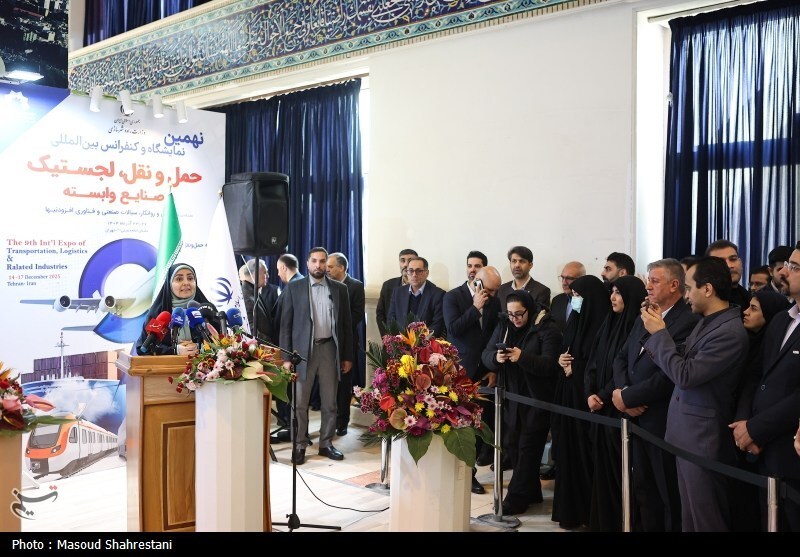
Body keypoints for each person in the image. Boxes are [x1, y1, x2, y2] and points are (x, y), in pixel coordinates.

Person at [640, 255, 748, 531]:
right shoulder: (706, 320)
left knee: (705, 518)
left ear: (707, 289)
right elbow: (682, 357)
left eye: (689, 288)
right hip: (687, 433)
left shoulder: (729, 331)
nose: (686, 295)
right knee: (690, 516)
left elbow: (685, 375)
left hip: (704, 438)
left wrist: (660, 334)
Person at [612, 258, 698, 532]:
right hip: (636, 417)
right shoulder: (648, 313)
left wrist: (630, 398)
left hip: (661, 419)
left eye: (654, 281)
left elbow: (668, 375)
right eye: (648, 280)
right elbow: (622, 357)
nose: (648, 286)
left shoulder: (688, 321)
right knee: (643, 488)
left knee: (667, 492)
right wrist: (623, 394)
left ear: (674, 285)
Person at [730, 242, 800, 531]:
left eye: (794, 268)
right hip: (761, 448)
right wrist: (745, 422)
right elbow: (756, 374)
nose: (783, 272)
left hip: (790, 451)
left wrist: (756, 429)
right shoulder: (782, 319)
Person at [482, 290, 561, 515]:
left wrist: (522, 357)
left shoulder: (547, 328)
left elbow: (550, 365)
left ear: (529, 309)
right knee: (514, 447)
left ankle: (514, 500)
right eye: (510, 314)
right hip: (511, 399)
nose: (514, 319)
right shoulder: (504, 324)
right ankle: (532, 492)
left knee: (528, 449)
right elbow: (486, 353)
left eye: (519, 314)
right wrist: (496, 359)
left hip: (537, 400)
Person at [279, 247, 353, 466]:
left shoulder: (340, 289)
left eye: (322, 261)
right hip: (301, 352)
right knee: (300, 402)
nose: (318, 265)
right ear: (307, 263)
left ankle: (326, 443)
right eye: (314, 261)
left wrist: (347, 356)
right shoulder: (294, 288)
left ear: (326, 264)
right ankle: (300, 445)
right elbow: (285, 325)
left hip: (329, 349)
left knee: (330, 402)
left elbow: (346, 326)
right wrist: (286, 358)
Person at [584, 275, 647, 531]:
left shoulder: (636, 326)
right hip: (600, 407)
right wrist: (590, 393)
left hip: (619, 409)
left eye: (618, 293)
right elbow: (593, 362)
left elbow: (624, 368)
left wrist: (604, 394)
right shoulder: (608, 323)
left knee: (621, 474)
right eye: (612, 291)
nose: (612, 297)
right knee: (603, 472)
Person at [551, 274, 610, 530]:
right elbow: (566, 349)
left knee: (585, 456)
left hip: (586, 400)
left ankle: (588, 513)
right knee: (567, 454)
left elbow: (599, 365)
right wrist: (561, 360)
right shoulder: (575, 320)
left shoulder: (602, 324)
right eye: (573, 295)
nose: (574, 300)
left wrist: (575, 369)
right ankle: (570, 512)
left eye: (578, 296)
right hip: (568, 395)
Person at [443, 260, 502, 494]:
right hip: (460, 371)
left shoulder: (494, 300)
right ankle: (455, 470)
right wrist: (475, 308)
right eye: (489, 290)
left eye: (496, 291)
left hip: (483, 371)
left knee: (478, 424)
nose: (493, 295)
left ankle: (470, 472)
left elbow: (494, 334)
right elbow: (453, 329)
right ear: (476, 282)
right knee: (459, 424)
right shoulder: (453, 297)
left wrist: (492, 367)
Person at [136, 263, 214, 356]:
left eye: (190, 278)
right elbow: (143, 349)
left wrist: (200, 348)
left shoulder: (206, 311)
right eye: (179, 279)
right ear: (170, 284)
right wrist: (174, 350)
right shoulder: (159, 314)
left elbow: (223, 342)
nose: (186, 283)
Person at [326, 252, 365, 436]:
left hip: (345, 342)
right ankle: (329, 420)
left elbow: (357, 315)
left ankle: (342, 422)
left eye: (330, 266)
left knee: (343, 385)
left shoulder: (355, 286)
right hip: (325, 341)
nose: (327, 269)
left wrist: (336, 323)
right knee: (327, 384)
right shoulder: (324, 284)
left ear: (341, 267)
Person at [387, 256, 446, 337]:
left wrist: (418, 341)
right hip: (400, 341)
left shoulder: (438, 294)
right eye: (411, 271)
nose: (414, 275)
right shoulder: (398, 292)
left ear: (427, 273)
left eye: (419, 271)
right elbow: (391, 320)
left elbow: (438, 325)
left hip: (425, 343)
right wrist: (399, 340)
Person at [375, 249, 417, 336]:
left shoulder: (423, 287)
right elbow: (380, 314)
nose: (405, 264)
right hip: (393, 339)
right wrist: (387, 337)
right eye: (402, 260)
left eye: (410, 260)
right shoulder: (388, 285)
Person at [239, 259, 278, 343]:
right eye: (265, 272)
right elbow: (250, 329)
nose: (267, 276)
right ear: (255, 274)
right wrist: (270, 345)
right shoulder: (246, 295)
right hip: (259, 347)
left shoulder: (252, 292)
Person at [706, 239, 750, 311]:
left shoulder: (749, 298)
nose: (729, 265)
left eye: (733, 259)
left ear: (740, 263)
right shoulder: (702, 302)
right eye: (721, 261)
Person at [551, 261, 586, 333]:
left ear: (582, 279)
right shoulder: (557, 300)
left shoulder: (590, 302)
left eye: (569, 278)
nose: (564, 283)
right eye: (562, 277)